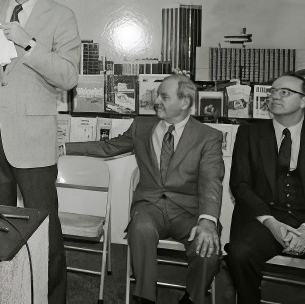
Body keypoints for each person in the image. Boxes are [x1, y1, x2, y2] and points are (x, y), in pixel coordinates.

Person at [0, 0, 81, 303]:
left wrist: (28, 42)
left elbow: (68, 76)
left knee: (45, 234)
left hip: (34, 140)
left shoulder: (61, 15)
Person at [62, 74, 224, 304]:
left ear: (185, 102)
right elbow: (108, 148)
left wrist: (208, 221)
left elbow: (211, 180)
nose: (156, 100)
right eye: (157, 94)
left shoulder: (208, 137)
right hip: (150, 207)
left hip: (190, 212)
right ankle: (145, 297)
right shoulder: (142, 126)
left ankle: (193, 297)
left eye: (164, 96)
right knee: (141, 228)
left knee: (207, 248)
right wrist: (63, 147)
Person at [225, 74, 305, 303]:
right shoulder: (249, 132)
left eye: (284, 92)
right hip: (265, 217)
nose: (275, 96)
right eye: (272, 91)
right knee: (240, 253)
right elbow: (240, 185)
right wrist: (271, 223)